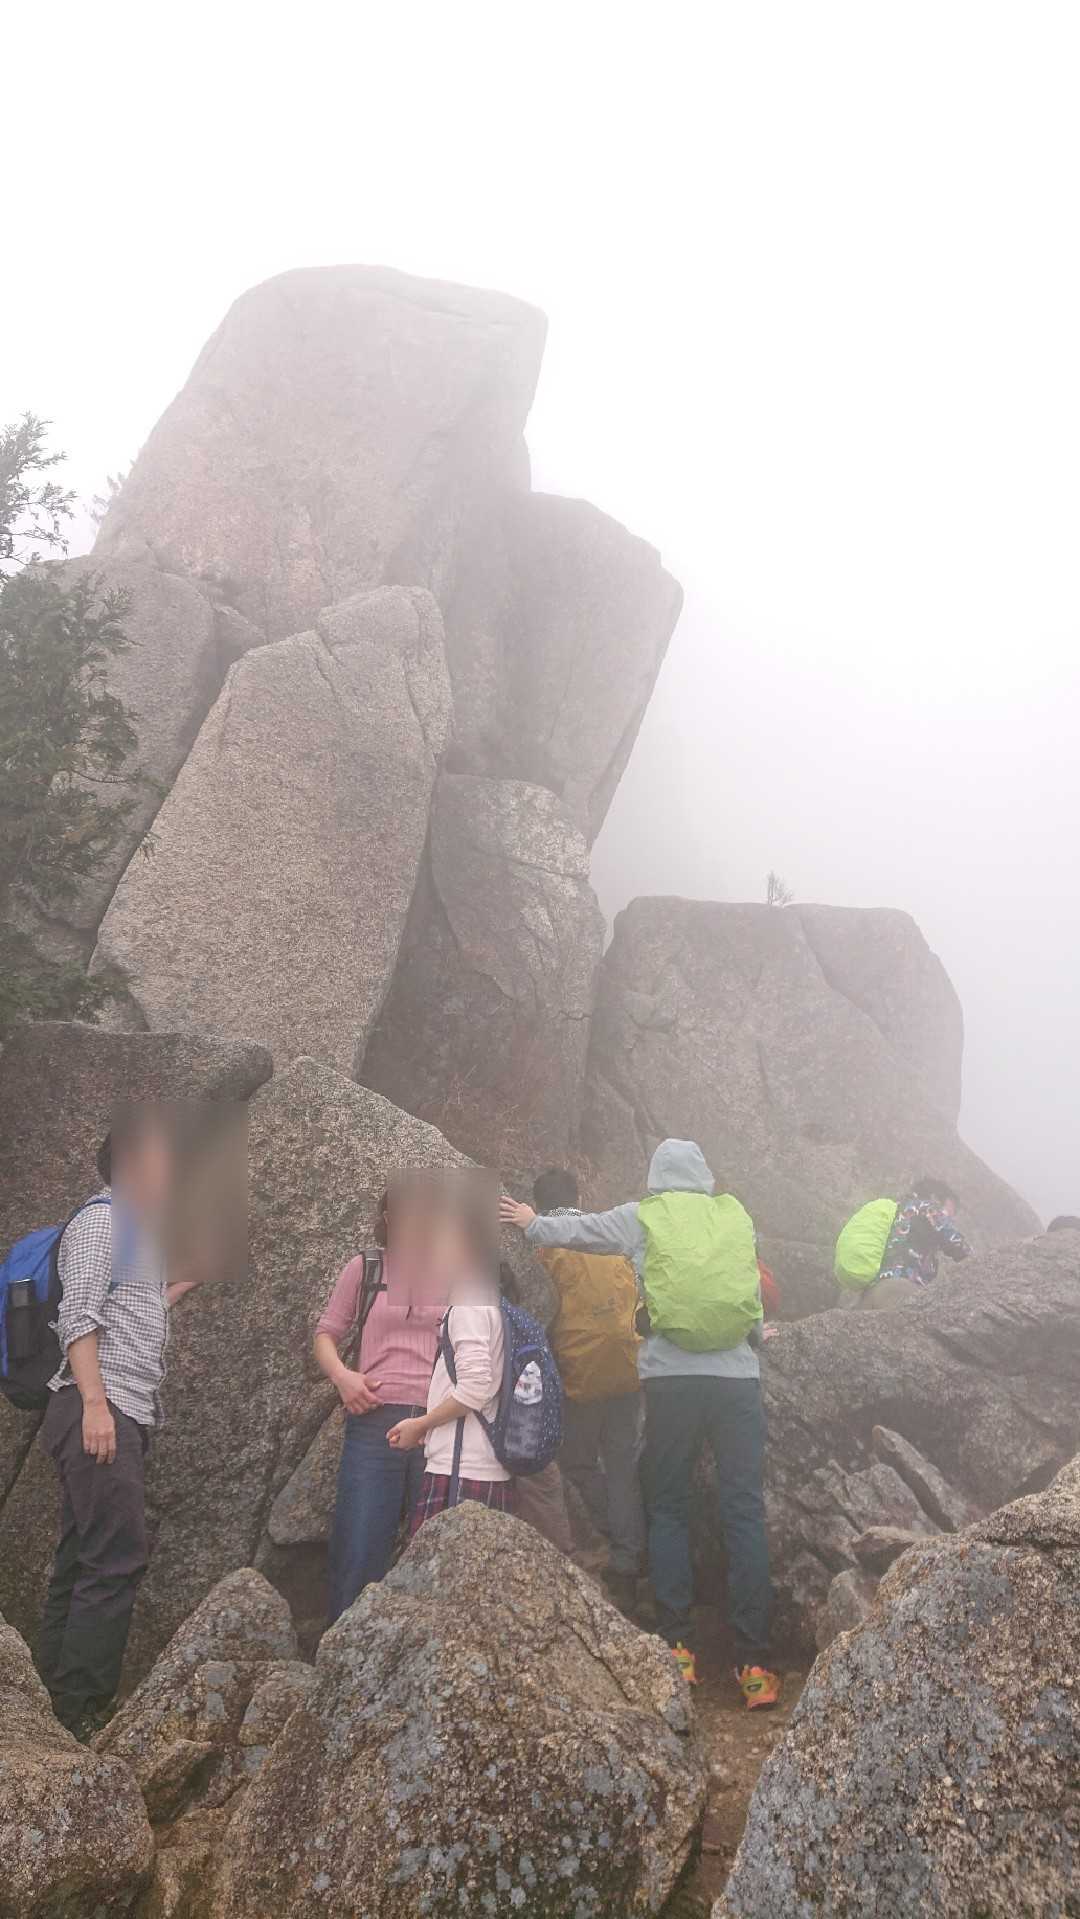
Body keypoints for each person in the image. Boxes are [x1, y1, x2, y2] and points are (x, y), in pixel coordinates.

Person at [502, 1140, 779, 1710]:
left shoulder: (645, 1215)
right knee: (745, 1511)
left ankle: (679, 1650)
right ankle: (755, 1665)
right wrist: (756, 1338)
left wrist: (532, 1223)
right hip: (737, 1379)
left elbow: (583, 1231)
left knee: (670, 1506)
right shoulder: (733, 1215)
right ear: (704, 1174)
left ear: (657, 1175)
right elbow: (746, 1294)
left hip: (672, 1380)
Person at [38, 1114, 204, 1738]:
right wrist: (96, 1405)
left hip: (116, 1409)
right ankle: (80, 1708)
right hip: (99, 1408)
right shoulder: (103, 1221)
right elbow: (77, 1316)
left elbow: (132, 1309)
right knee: (115, 1558)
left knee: (83, 1554)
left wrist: (179, 1285)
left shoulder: (137, 1233)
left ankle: (50, 1697)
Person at [313, 1183, 446, 1623]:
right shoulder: (366, 1267)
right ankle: (341, 1645)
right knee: (360, 1543)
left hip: (437, 1424)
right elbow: (326, 1334)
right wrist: (343, 1378)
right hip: (374, 1419)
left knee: (431, 1547)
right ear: (387, 1219)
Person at [531, 1168, 644, 1607]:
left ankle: (609, 1534)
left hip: (579, 1371)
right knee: (622, 1463)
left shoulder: (546, 1249)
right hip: (628, 1365)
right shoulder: (607, 1235)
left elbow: (542, 1311)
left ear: (539, 1207)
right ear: (577, 1197)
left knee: (577, 1463)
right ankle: (630, 1558)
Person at [387, 1175, 514, 1533]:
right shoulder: (488, 1298)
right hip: (477, 1464)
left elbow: (474, 1388)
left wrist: (421, 1425)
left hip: (462, 1468)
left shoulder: (469, 1302)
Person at [497, 1260, 574, 1555]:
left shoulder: (488, 1319)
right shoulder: (526, 1321)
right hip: (535, 1435)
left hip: (501, 1433)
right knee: (546, 1505)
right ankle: (562, 1563)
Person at [857, 1177, 972, 1311]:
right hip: (901, 1288)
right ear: (935, 1199)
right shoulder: (928, 1208)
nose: (950, 1218)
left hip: (871, 1292)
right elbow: (956, 1243)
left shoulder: (898, 1207)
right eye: (950, 1211)